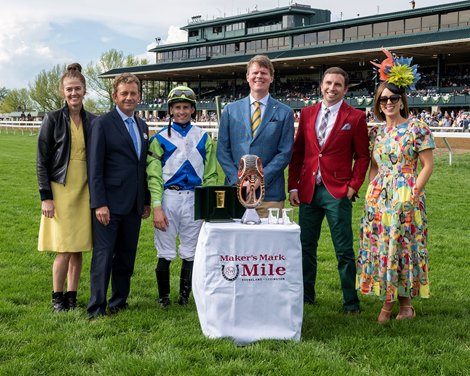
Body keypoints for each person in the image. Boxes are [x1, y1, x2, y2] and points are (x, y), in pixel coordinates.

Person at [356, 50, 434, 322]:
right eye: (383, 99)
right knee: (383, 248)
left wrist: (413, 194)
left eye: (393, 98)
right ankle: (403, 306)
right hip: (380, 196)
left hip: (406, 193)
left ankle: (392, 307)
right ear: (378, 103)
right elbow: (375, 165)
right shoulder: (376, 131)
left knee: (402, 249)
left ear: (402, 101)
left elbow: (427, 165)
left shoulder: (417, 128)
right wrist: (369, 190)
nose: (388, 103)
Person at [288, 67, 370, 313]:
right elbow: (298, 153)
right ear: (321, 85)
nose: (331, 88)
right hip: (309, 190)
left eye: (337, 84)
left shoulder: (355, 117)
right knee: (305, 247)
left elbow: (363, 156)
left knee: (344, 249)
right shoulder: (308, 113)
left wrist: (353, 187)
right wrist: (293, 186)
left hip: (337, 192)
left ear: (345, 89)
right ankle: (306, 296)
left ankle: (351, 302)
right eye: (328, 83)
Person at [147, 86, 218, 307]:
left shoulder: (203, 137)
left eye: (186, 107)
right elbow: (154, 175)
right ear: (170, 110)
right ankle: (164, 298)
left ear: (193, 109)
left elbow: (211, 174)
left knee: (191, 249)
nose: (181, 111)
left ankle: (185, 297)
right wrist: (157, 206)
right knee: (165, 250)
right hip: (169, 198)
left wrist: (208, 205)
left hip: (195, 198)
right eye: (177, 107)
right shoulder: (159, 138)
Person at [87, 73, 151, 319]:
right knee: (103, 256)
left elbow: (141, 166)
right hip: (109, 205)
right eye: (124, 93)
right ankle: (96, 307)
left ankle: (119, 302)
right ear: (115, 96)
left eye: (133, 93)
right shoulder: (102, 124)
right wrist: (99, 203)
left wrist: (145, 199)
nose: (129, 97)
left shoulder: (142, 126)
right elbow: (95, 167)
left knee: (126, 256)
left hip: (133, 204)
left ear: (139, 97)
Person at [37, 63, 95, 312]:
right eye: (69, 89)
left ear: (84, 90)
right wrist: (46, 197)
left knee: (79, 247)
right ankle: (57, 297)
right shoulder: (51, 119)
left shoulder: (93, 120)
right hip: (60, 188)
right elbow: (42, 160)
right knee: (63, 248)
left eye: (78, 89)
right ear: (63, 91)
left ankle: (72, 295)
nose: (74, 93)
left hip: (84, 189)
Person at [216, 54, 295, 217]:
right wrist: (239, 181)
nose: (259, 76)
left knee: (269, 242)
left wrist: (260, 179)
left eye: (264, 73)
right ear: (247, 77)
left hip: (270, 195)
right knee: (234, 242)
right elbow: (222, 150)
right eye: (255, 72)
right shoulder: (231, 110)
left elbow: (285, 153)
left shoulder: (285, 112)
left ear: (271, 78)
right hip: (235, 192)